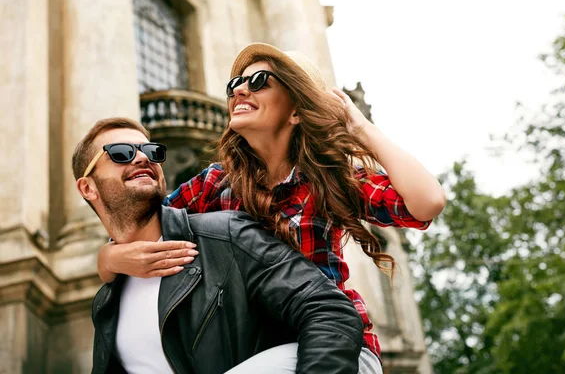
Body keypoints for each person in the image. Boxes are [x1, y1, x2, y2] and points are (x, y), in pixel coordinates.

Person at [97, 43, 447, 373]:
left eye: (259, 81)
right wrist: (109, 259)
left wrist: (360, 128)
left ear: (296, 110)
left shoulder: (329, 178)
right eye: (235, 83)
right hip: (259, 352)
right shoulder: (215, 183)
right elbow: (139, 231)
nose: (239, 91)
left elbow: (427, 202)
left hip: (335, 347)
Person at [74, 117, 365, 374]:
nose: (142, 159)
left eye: (151, 152)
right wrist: (108, 257)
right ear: (88, 188)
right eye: (121, 153)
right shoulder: (106, 302)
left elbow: (329, 311)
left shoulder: (224, 234)